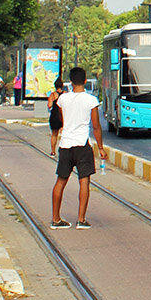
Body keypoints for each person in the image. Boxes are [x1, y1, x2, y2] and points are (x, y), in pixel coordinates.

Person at [50, 67, 107, 230]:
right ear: (84, 81)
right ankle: (81, 219)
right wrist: (101, 147)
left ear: (71, 82)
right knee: (84, 182)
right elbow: (96, 126)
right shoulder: (91, 100)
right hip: (82, 145)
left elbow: (62, 119)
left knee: (60, 181)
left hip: (66, 145)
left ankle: (55, 219)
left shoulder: (63, 99)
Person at [47, 79, 66, 157]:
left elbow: (49, 105)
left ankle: (53, 151)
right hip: (64, 116)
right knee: (64, 134)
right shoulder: (65, 94)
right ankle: (63, 151)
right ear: (62, 85)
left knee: (54, 134)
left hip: (54, 116)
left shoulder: (53, 95)